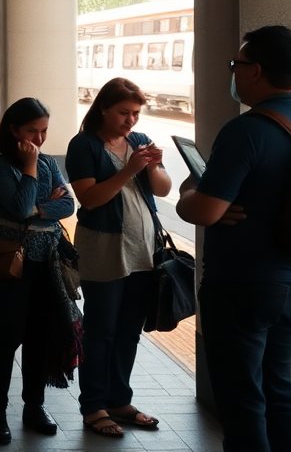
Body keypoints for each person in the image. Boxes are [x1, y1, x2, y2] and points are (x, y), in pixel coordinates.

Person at [176, 25, 291, 452]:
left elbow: (207, 210)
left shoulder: (247, 129)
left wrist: (191, 191)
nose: (233, 73)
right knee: (279, 388)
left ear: (256, 70)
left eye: (236, 65)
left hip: (243, 285)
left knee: (243, 400)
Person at [65, 77, 171, 438]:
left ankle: (119, 400)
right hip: (104, 249)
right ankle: (94, 405)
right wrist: (128, 170)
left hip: (143, 251)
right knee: (101, 331)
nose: (131, 121)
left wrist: (154, 166)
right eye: (124, 112)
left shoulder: (138, 142)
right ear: (103, 109)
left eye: (136, 113)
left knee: (128, 331)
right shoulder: (84, 145)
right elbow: (91, 199)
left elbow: (162, 189)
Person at [0, 98, 81, 442]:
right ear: (13, 129)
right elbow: (20, 206)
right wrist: (30, 168)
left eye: (44, 132)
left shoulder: (49, 161)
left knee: (39, 336)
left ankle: (33, 406)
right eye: (31, 132)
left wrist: (38, 207)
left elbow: (68, 204)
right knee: (8, 336)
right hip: (12, 261)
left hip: (48, 262)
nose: (39, 139)